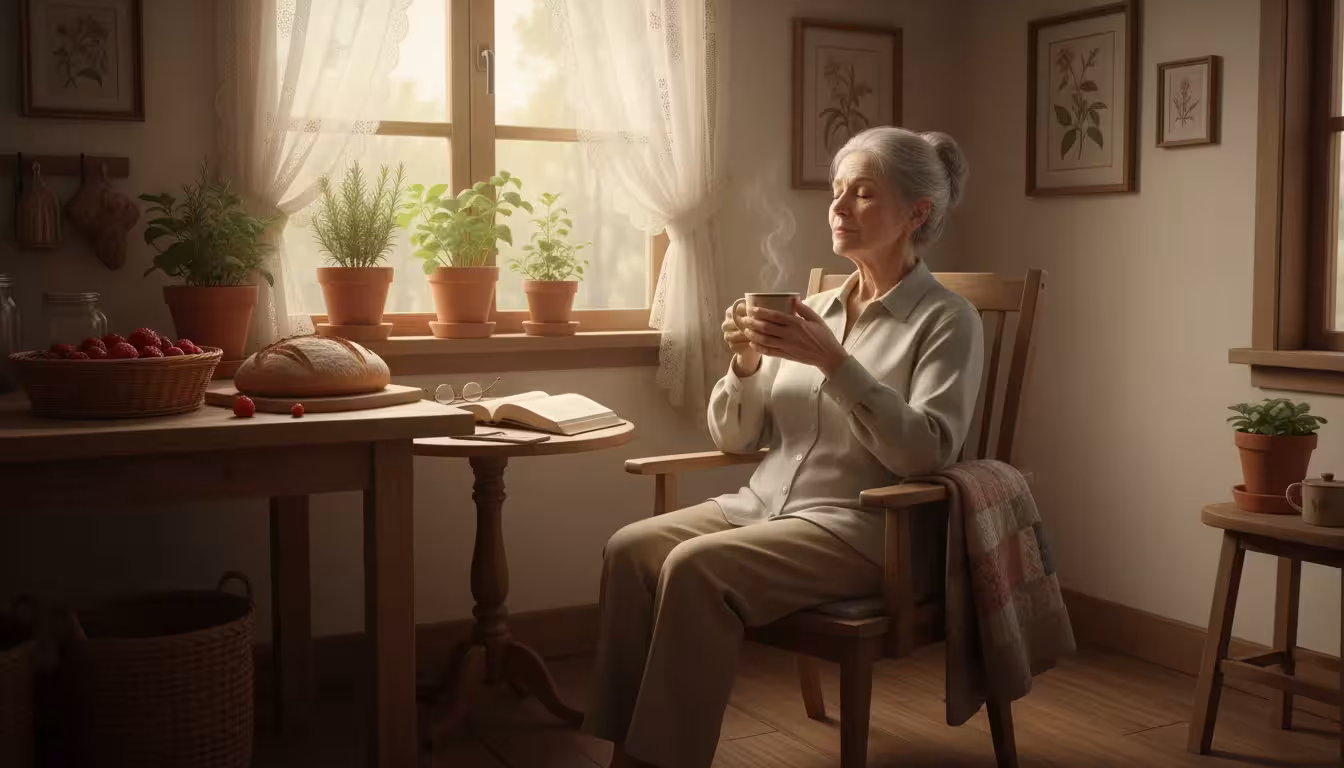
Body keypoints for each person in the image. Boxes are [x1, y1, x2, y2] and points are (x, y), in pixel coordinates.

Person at [581, 126, 985, 768]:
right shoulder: (814, 310)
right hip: (762, 506)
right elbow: (739, 438)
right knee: (630, 549)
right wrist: (742, 364)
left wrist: (836, 364)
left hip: (864, 527)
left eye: (863, 194)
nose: (839, 207)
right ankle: (624, 749)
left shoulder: (947, 321)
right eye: (836, 192)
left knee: (694, 568)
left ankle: (659, 763)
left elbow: (925, 453)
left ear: (917, 213)